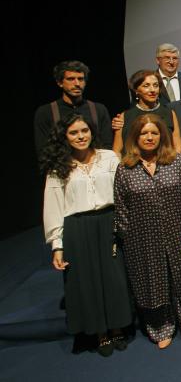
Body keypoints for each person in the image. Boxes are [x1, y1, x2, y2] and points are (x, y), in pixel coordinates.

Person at [113, 114, 181, 352]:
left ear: (161, 136)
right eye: (144, 133)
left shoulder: (176, 162)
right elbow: (121, 206)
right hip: (141, 237)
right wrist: (126, 238)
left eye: (154, 133)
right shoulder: (125, 169)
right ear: (135, 137)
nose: (149, 137)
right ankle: (161, 328)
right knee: (152, 284)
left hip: (178, 232)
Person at [41, 114, 133, 356]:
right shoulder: (58, 167)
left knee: (114, 277)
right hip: (77, 229)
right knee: (87, 280)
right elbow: (54, 206)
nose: (80, 136)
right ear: (65, 137)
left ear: (92, 132)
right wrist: (57, 245)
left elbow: (123, 191)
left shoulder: (109, 157)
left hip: (108, 222)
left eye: (84, 131)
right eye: (73, 133)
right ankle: (100, 332)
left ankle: (116, 327)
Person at [34, 60, 113, 157]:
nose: (77, 84)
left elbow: (106, 145)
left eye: (81, 79)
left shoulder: (98, 109)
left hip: (96, 166)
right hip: (63, 167)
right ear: (60, 82)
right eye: (71, 79)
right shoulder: (46, 112)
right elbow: (43, 149)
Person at [112, 69, 181, 155]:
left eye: (156, 85)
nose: (152, 90)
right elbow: (117, 150)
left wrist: (173, 164)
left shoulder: (169, 113)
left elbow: (177, 146)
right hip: (133, 166)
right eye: (146, 86)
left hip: (166, 165)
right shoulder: (125, 116)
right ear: (136, 90)